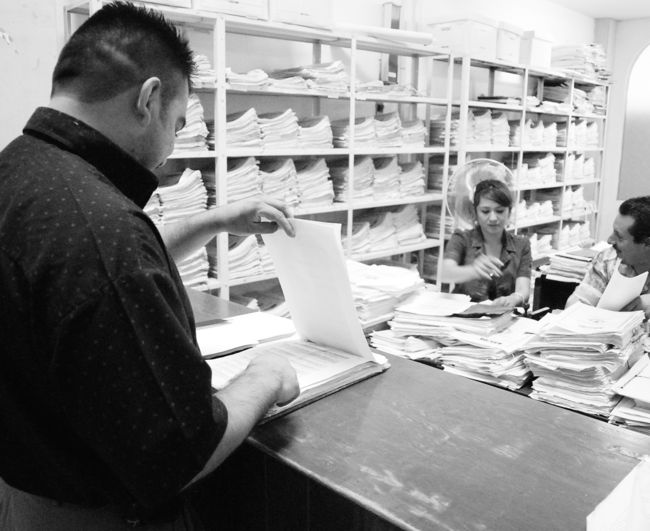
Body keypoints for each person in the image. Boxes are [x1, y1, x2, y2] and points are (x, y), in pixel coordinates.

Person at [0, 2, 300, 529]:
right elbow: (180, 456)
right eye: (178, 124)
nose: (170, 150)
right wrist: (265, 378)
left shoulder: (21, 171)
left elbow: (85, 270)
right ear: (149, 98)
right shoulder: (102, 228)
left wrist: (216, 220)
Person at [441, 178, 532, 307]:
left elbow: (523, 288)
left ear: (509, 212)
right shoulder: (462, 239)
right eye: (485, 211)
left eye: (500, 211)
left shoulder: (521, 244)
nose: (493, 218)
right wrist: (473, 270)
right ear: (475, 212)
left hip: (503, 314)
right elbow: (445, 272)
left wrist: (514, 298)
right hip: (466, 315)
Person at [566, 196, 650, 316]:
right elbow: (577, 306)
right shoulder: (608, 260)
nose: (610, 240)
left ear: (647, 244)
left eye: (619, 237)